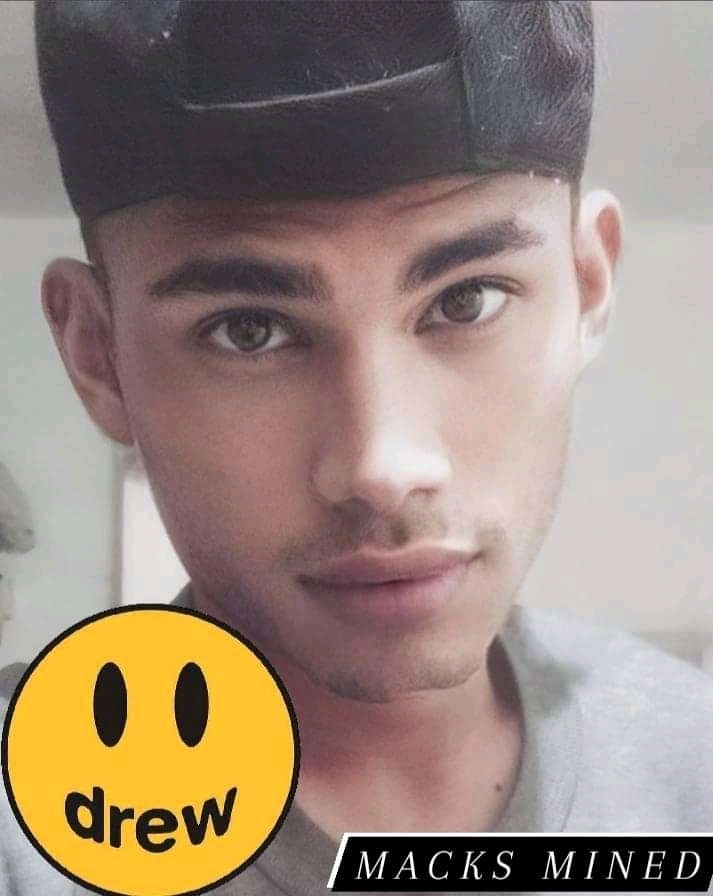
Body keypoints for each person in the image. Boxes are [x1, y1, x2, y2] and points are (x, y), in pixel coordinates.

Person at [1, 2, 712, 894]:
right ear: (97, 356)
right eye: (249, 330)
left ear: (587, 288)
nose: (381, 467)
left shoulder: (693, 765)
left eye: (466, 301)